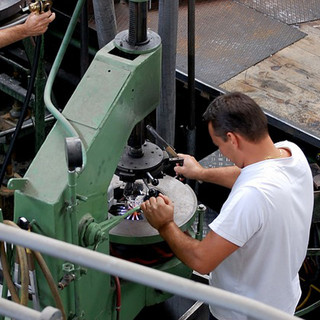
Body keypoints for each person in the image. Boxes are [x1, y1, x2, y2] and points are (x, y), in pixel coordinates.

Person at [141, 92, 314, 320]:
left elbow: (202, 260)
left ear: (232, 139)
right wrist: (200, 173)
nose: (221, 152)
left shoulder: (251, 197)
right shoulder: (291, 153)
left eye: (219, 144)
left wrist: (164, 224)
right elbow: (246, 174)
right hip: (281, 302)